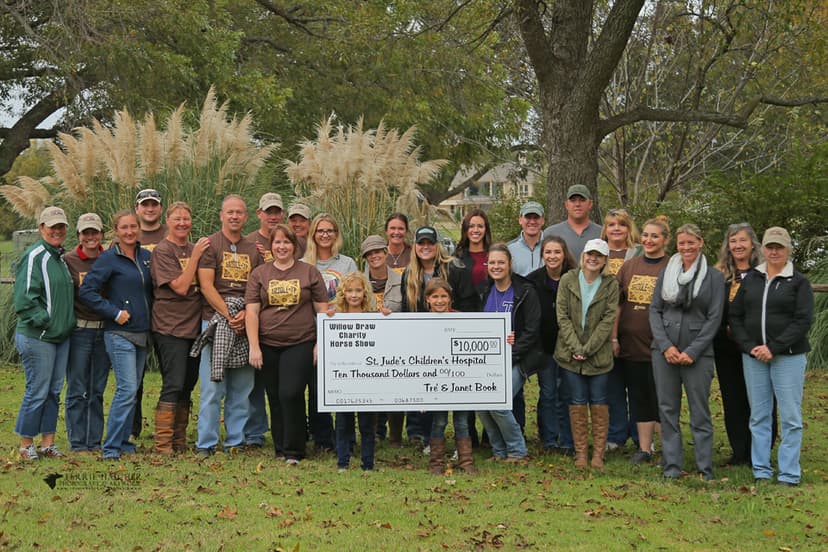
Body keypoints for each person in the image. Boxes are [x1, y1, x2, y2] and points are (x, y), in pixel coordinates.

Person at [729, 227, 813, 486]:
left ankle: (789, 472)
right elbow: (735, 316)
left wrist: (773, 347)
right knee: (759, 415)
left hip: (788, 357)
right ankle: (761, 470)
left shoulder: (798, 282)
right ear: (762, 249)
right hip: (754, 357)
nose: (774, 251)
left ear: (788, 249)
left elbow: (802, 321)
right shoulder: (751, 279)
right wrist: (749, 346)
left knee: (790, 417)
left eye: (779, 247)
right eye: (770, 247)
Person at [245, 224, 328, 465]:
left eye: (287, 242)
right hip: (268, 343)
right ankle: (280, 447)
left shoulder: (309, 272)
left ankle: (295, 450)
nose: (282, 247)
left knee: (290, 392)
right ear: (271, 246)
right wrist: (254, 346)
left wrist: (320, 343)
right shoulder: (260, 274)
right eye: (277, 242)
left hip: (300, 341)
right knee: (274, 395)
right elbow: (252, 312)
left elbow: (322, 311)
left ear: (294, 246)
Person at [649, 224, 724, 480]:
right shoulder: (666, 272)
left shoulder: (714, 277)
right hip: (665, 351)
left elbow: (714, 318)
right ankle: (671, 465)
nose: (686, 247)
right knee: (667, 409)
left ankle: (704, 468)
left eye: (691, 242)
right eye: (682, 243)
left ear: (700, 242)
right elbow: (655, 310)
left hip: (698, 354)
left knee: (699, 411)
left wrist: (693, 350)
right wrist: (665, 346)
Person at [79, 210, 153, 460]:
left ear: (139, 228)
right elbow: (87, 291)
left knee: (133, 390)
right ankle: (110, 447)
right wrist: (114, 312)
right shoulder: (109, 259)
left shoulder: (146, 257)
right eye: (124, 228)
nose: (130, 232)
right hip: (119, 333)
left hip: (142, 332)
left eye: (133, 226)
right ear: (116, 231)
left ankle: (123, 443)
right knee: (127, 389)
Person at [195, 195, 262, 457]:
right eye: (230, 212)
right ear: (221, 215)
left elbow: (257, 287)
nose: (234, 216)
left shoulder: (254, 249)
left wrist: (245, 314)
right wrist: (228, 315)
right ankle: (206, 443)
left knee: (242, 387)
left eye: (239, 212)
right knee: (213, 387)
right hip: (215, 320)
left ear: (246, 217)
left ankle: (235, 441)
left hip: (246, 321)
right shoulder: (211, 245)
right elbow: (206, 285)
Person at [401, 226, 479, 444]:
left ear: (437, 246)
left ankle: (466, 440)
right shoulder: (409, 273)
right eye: (421, 243)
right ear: (415, 246)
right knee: (428, 390)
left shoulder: (454, 268)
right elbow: (407, 309)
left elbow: (469, 303)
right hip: (424, 340)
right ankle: (428, 439)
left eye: (430, 243)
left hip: (454, 337)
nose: (425, 247)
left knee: (460, 391)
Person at [13, 206, 75, 460]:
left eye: (61, 226)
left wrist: (62, 326)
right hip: (38, 337)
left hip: (60, 338)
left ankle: (47, 443)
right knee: (37, 390)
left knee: (53, 391)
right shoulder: (35, 255)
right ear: (41, 228)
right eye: (52, 227)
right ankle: (26, 445)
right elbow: (25, 299)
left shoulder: (59, 258)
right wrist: (47, 322)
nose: (57, 231)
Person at [149, 202, 210, 454]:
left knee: (188, 383)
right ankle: (163, 443)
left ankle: (179, 439)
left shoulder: (194, 248)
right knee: (173, 383)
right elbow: (182, 287)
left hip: (195, 327)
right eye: (177, 219)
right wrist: (195, 257)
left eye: (186, 219)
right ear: (168, 220)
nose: (182, 223)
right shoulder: (163, 251)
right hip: (170, 327)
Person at [555, 239, 619, 468]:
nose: (593, 259)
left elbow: (608, 320)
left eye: (598, 255)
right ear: (583, 256)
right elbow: (562, 316)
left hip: (598, 356)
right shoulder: (568, 280)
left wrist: (588, 349)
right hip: (570, 354)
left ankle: (598, 454)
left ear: (605, 260)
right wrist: (576, 347)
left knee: (599, 401)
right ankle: (581, 453)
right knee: (577, 401)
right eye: (590, 254)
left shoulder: (610, 285)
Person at [613, 217, 670, 464]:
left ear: (665, 239)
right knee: (639, 398)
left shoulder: (672, 266)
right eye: (645, 235)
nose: (648, 240)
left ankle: (668, 449)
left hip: (661, 346)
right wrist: (614, 337)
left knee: (662, 399)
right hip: (631, 345)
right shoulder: (629, 266)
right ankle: (645, 449)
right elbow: (617, 305)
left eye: (655, 236)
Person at [713, 223, 771, 467]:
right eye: (733, 241)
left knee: (760, 399)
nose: (737, 245)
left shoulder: (765, 273)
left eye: (742, 240)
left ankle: (761, 452)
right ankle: (740, 452)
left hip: (756, 346)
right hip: (725, 347)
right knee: (733, 399)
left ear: (752, 244)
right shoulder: (719, 275)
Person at [476, 244, 540, 462]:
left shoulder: (525, 291)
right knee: (481, 404)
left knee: (498, 403)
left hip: (518, 359)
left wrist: (513, 351)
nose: (496, 267)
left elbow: (532, 331)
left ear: (510, 264)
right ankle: (498, 451)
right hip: (489, 360)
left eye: (501, 262)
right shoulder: (484, 290)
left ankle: (517, 450)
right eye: (492, 262)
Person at [302, 213, 357, 451]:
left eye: (330, 231)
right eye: (320, 230)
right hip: (311, 331)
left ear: (336, 234)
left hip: (341, 332)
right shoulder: (303, 264)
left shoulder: (347, 263)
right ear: (313, 234)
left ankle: (346, 437)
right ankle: (322, 437)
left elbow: (356, 294)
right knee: (316, 387)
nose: (325, 235)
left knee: (345, 385)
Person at [526, 235, 577, 455]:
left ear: (564, 254)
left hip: (569, 347)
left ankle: (567, 439)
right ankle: (549, 439)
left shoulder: (574, 278)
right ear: (542, 255)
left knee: (567, 393)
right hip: (544, 347)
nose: (552, 256)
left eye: (557, 252)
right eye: (548, 252)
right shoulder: (533, 281)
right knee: (548, 393)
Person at [63, 212, 109, 452]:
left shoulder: (109, 258)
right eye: (86, 233)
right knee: (77, 388)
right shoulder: (68, 260)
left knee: (96, 389)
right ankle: (78, 441)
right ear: (79, 235)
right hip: (80, 331)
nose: (91, 237)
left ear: (101, 234)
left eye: (95, 232)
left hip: (104, 332)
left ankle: (94, 440)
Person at [244, 192, 285, 449]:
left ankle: (291, 427)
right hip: (257, 315)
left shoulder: (291, 240)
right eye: (268, 212)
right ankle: (255, 432)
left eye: (276, 212)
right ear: (259, 214)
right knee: (255, 380)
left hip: (286, 320)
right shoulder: (249, 242)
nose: (273, 216)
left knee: (285, 384)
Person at [601, 208, 642, 452]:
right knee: (612, 386)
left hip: (634, 328)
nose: (616, 229)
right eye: (611, 224)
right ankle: (616, 434)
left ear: (629, 228)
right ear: (605, 229)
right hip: (604, 329)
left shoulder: (639, 252)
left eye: (622, 224)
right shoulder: (597, 252)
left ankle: (640, 435)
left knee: (637, 386)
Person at [426, 278, 476, 474]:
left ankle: (466, 461)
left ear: (450, 298)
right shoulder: (418, 322)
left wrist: (505, 336)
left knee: (461, 421)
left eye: (443, 296)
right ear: (427, 299)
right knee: (439, 421)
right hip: (436, 382)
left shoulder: (462, 319)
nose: (439, 301)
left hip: (459, 380)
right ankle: (436, 462)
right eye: (435, 296)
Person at [330, 271, 379, 471]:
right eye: (349, 291)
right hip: (343, 381)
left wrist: (386, 317)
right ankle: (343, 462)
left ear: (365, 293)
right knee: (343, 423)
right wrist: (328, 320)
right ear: (343, 293)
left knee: (367, 425)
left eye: (358, 290)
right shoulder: (335, 318)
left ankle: (368, 463)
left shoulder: (374, 318)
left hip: (367, 380)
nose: (354, 295)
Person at [360, 234, 403, 445]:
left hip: (395, 342)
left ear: (386, 252)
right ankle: (375, 433)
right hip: (368, 344)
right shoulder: (358, 282)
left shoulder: (401, 281)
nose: (374, 256)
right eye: (369, 253)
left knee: (396, 388)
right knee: (371, 388)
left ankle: (396, 436)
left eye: (378, 251)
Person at [131, 187, 167, 441]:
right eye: (145, 205)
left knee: (171, 374)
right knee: (134, 376)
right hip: (138, 315)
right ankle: (132, 429)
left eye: (154, 204)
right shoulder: (129, 234)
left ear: (161, 208)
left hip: (168, 315)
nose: (150, 208)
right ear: (137, 209)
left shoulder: (171, 232)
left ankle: (167, 427)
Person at [541, 184, 602, 257]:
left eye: (582, 200)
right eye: (573, 200)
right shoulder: (550, 233)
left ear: (590, 204)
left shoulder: (602, 233)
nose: (577, 204)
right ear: (566, 204)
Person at [455, 209, 493, 288]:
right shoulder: (457, 257)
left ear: (486, 229)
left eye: (480, 226)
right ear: (465, 229)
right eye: (471, 226)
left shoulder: (494, 254)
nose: (475, 230)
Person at [508, 201, 545, 276]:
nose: (532, 221)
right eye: (528, 217)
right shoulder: (509, 249)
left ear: (543, 221)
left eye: (536, 217)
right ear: (520, 220)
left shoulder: (552, 248)